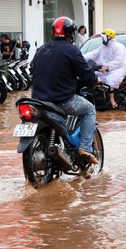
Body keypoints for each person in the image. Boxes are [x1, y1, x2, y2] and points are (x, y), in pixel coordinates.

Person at [31, 16, 99, 163]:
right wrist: (95, 80)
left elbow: (32, 70)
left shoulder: (42, 49)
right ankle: (85, 148)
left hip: (37, 101)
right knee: (89, 110)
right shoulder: (71, 50)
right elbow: (86, 73)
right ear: (70, 33)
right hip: (62, 100)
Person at [83, 28, 126, 108]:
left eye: (103, 37)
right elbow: (93, 54)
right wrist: (79, 57)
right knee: (94, 78)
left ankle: (112, 100)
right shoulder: (103, 47)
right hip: (104, 69)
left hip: (117, 69)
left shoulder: (119, 47)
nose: (102, 39)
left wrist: (107, 67)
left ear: (109, 37)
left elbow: (118, 61)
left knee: (110, 80)